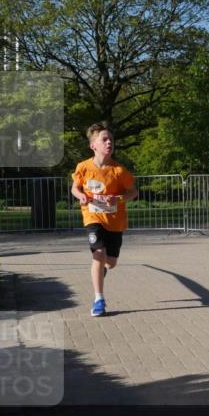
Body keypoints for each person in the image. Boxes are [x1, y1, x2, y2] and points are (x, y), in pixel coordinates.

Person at [70, 122, 138, 317]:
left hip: (115, 221)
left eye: (111, 139)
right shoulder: (83, 167)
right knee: (98, 253)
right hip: (92, 216)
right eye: (104, 139)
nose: (109, 142)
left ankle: (102, 270)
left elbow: (133, 192)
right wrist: (80, 195)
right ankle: (99, 299)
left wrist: (118, 198)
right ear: (93, 146)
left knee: (111, 262)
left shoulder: (119, 171)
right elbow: (75, 187)